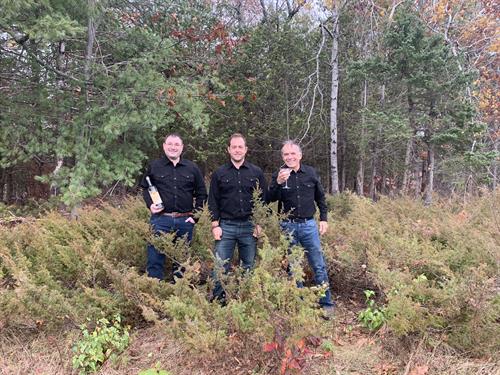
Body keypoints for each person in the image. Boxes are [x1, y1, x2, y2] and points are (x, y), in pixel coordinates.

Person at [268, 140, 335, 315]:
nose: (289, 157)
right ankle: (299, 305)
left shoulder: (310, 173)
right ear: (282, 156)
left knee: (318, 265)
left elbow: (320, 198)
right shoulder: (280, 174)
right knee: (293, 266)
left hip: (309, 225)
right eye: (285, 154)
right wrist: (278, 182)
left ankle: (326, 303)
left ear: (300, 155)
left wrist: (324, 219)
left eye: (292, 153)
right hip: (287, 226)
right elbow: (269, 198)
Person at [208, 133, 267, 302]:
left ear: (246, 150)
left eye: (240, 147)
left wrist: (260, 224)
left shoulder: (256, 172)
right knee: (220, 266)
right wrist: (215, 225)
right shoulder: (220, 173)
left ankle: (244, 300)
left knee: (248, 265)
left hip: (250, 227)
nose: (237, 150)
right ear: (228, 150)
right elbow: (213, 201)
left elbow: (263, 200)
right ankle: (219, 302)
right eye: (234, 147)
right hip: (226, 226)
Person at [140, 133, 207, 281]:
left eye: (177, 145)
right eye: (170, 144)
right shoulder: (154, 166)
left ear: (182, 148)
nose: (173, 147)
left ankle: (178, 297)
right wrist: (150, 205)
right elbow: (145, 188)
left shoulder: (192, 168)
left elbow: (202, 193)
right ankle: (154, 292)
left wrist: (195, 217)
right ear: (164, 146)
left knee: (182, 263)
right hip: (160, 220)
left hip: (185, 221)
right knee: (155, 260)